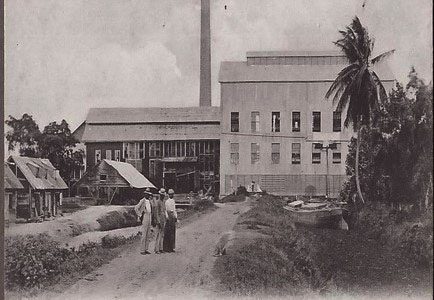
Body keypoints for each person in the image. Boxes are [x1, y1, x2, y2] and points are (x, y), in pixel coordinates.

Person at [134, 188, 153, 255]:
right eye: (146, 194)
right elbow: (136, 208)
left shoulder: (150, 201)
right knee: (144, 233)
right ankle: (142, 250)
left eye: (148, 194)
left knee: (148, 233)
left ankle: (146, 249)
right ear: (144, 194)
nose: (147, 195)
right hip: (145, 216)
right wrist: (140, 215)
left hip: (149, 215)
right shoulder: (142, 200)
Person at [154, 188, 168, 254]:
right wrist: (158, 221)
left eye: (163, 195)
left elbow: (164, 211)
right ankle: (156, 249)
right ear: (160, 195)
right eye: (161, 195)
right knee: (158, 234)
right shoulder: (157, 202)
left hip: (163, 219)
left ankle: (161, 248)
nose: (163, 196)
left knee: (162, 234)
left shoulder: (163, 202)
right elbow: (156, 213)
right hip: (159, 219)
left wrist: (165, 218)